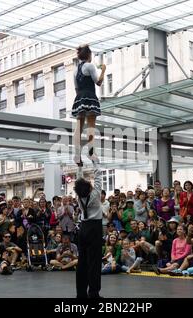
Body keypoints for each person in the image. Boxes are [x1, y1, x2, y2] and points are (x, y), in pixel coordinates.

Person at [75, 152, 103, 298]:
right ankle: (93, 292)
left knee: (82, 262)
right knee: (94, 262)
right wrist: (95, 162)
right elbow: (98, 176)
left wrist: (79, 166)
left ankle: (80, 293)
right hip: (94, 228)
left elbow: (79, 182)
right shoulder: (95, 195)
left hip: (83, 228)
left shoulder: (79, 197)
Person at [72, 44, 106, 164]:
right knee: (91, 126)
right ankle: (91, 152)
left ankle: (77, 155)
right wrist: (103, 70)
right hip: (90, 96)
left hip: (79, 98)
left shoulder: (75, 70)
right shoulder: (90, 66)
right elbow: (98, 82)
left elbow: (76, 88)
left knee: (79, 128)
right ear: (88, 55)